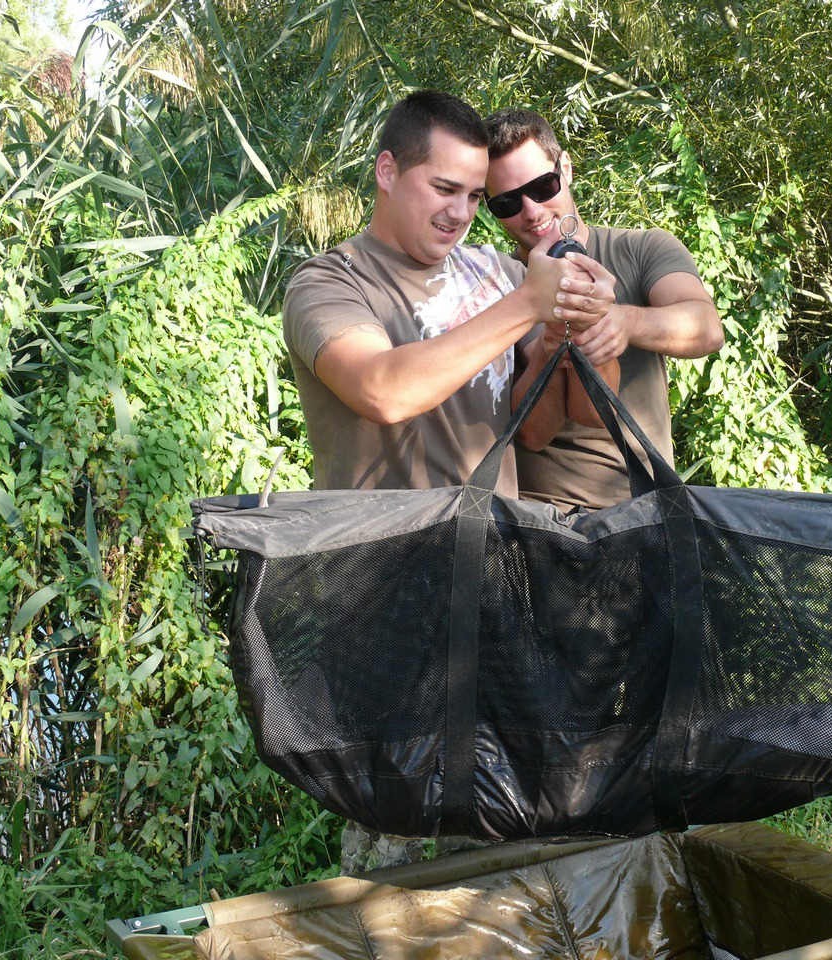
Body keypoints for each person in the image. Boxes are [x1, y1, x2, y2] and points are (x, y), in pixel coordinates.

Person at [281, 91, 616, 873]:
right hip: (384, 603)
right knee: (398, 854)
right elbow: (385, 390)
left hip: (498, 590)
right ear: (388, 172)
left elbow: (538, 429)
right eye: (445, 189)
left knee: (514, 840)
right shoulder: (330, 284)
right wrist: (526, 304)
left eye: (474, 195)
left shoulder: (497, 273)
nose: (462, 212)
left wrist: (576, 335)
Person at [483, 108, 724, 510]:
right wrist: (547, 346)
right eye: (507, 202)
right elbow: (531, 433)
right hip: (536, 520)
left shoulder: (644, 248)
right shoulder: (494, 284)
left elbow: (706, 327)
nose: (531, 210)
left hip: (643, 510)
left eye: (543, 186)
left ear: (566, 168)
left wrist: (623, 322)